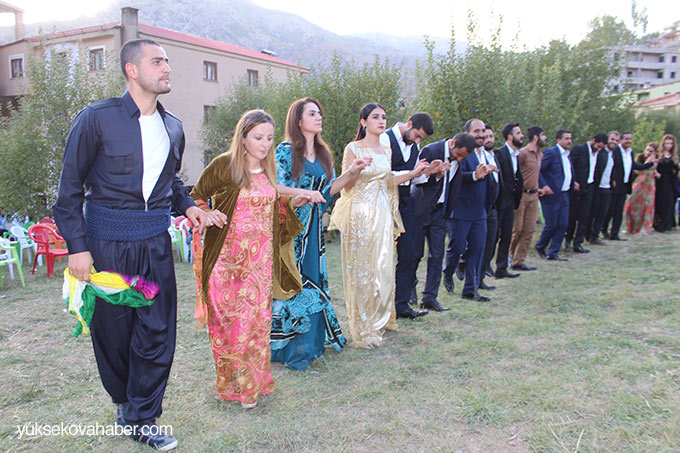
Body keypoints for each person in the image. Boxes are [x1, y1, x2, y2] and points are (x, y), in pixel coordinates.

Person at [52, 39, 208, 450]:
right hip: (107, 248)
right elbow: (69, 190)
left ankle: (142, 416)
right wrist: (77, 247)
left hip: (155, 247)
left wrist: (188, 206)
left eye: (167, 61)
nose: (167, 68)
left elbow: (170, 182)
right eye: (157, 62)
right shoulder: (96, 119)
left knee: (157, 332)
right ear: (132, 70)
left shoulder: (173, 126)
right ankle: (125, 402)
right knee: (114, 334)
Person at [191, 109, 308, 408]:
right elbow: (195, 196)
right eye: (258, 137)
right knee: (228, 326)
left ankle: (252, 383)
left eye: (269, 138)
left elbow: (272, 203)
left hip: (259, 266)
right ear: (242, 137)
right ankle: (235, 384)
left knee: (256, 325)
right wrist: (206, 213)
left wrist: (293, 200)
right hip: (226, 264)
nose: (265, 144)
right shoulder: (224, 165)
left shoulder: (268, 169)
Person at [271, 97, 371, 370]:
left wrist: (352, 171)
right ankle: (291, 348)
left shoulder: (323, 153)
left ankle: (311, 344)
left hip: (314, 230)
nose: (319, 117)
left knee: (313, 280)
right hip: (291, 229)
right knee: (294, 283)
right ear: (298, 120)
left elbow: (328, 191)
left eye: (319, 113)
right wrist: (301, 194)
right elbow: (275, 187)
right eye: (312, 113)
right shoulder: (285, 151)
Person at [329, 103, 428, 349]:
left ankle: (381, 319)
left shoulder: (386, 147)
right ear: (363, 122)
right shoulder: (353, 148)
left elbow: (389, 180)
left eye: (384, 116)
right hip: (361, 215)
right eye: (375, 117)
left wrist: (415, 173)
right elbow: (347, 186)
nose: (381, 121)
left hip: (382, 214)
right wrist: (355, 170)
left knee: (382, 268)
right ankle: (364, 329)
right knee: (363, 271)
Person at [380, 112, 434, 319]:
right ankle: (381, 306)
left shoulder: (414, 146)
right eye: (417, 135)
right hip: (384, 203)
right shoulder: (384, 139)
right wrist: (412, 173)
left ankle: (401, 305)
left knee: (410, 253)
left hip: (405, 203)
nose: (417, 141)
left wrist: (426, 172)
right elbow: (383, 175)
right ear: (409, 124)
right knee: (383, 256)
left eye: (421, 139)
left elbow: (412, 180)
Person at [412, 133, 476, 307]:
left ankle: (430, 298)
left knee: (437, 255)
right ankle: (410, 288)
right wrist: (436, 174)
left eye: (463, 157)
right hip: (420, 210)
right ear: (453, 143)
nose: (460, 159)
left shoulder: (458, 160)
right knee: (415, 254)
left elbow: (455, 182)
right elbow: (415, 180)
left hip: (440, 212)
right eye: (458, 154)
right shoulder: (431, 151)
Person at [443, 119, 497, 302]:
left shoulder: (486, 154)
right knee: (457, 248)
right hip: (460, 209)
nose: (481, 135)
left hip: (480, 211)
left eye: (483, 131)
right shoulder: (462, 152)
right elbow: (455, 177)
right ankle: (448, 272)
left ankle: (470, 290)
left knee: (477, 249)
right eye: (476, 131)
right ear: (467, 133)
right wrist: (475, 175)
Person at [535, 130, 576, 262]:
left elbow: (566, 171)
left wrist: (573, 182)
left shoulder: (567, 154)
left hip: (564, 194)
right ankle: (540, 245)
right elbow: (538, 170)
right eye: (566, 138)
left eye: (570, 138)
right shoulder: (551, 153)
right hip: (551, 195)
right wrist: (544, 185)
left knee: (563, 224)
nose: (569, 141)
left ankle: (553, 252)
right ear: (558, 140)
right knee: (552, 224)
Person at [564, 133, 608, 253]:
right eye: (598, 146)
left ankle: (578, 243)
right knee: (572, 216)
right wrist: (573, 181)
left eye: (601, 148)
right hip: (577, 187)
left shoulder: (599, 153)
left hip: (590, 187)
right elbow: (569, 165)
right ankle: (568, 239)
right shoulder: (580, 149)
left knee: (585, 216)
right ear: (593, 141)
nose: (599, 149)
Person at [604, 131, 653, 240]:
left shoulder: (630, 152)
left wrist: (649, 164)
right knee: (610, 209)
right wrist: (612, 179)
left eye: (630, 139)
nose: (628, 141)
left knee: (619, 211)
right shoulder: (615, 151)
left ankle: (614, 234)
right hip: (615, 184)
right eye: (626, 139)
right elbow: (611, 166)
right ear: (621, 140)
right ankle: (603, 229)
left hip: (625, 185)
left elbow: (633, 165)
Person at [509, 126, 546, 270]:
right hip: (521, 195)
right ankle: (508, 255)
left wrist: (539, 187)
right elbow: (514, 173)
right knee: (517, 229)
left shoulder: (540, 155)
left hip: (534, 195)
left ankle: (518, 261)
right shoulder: (523, 153)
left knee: (529, 229)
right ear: (536, 137)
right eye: (543, 135)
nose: (545, 138)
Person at [492, 123, 524, 278]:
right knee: (494, 235)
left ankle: (501, 268)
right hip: (499, 202)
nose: (521, 136)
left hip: (510, 201)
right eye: (518, 133)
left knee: (506, 235)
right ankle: (485, 266)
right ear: (510, 136)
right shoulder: (499, 153)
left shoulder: (516, 155)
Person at [479, 124, 501, 289]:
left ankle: (481, 277)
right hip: (480, 207)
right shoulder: (478, 157)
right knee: (479, 245)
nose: (489, 139)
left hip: (493, 207)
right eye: (486, 136)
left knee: (491, 243)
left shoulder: (494, 157)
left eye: (491, 136)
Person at [587, 131, 617, 245]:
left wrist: (613, 180)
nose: (614, 142)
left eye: (616, 140)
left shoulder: (613, 154)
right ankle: (588, 235)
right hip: (597, 187)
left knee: (603, 213)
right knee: (592, 212)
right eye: (612, 139)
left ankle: (595, 236)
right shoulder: (600, 152)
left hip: (607, 187)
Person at [624, 142, 659, 235]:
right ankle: (631, 226)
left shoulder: (654, 160)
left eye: (651, 151)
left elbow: (655, 172)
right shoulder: (641, 157)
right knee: (631, 203)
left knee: (647, 205)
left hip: (649, 184)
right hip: (640, 182)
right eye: (647, 150)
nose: (648, 152)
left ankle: (644, 227)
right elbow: (636, 168)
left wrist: (656, 173)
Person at [654, 134, 679, 232]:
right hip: (659, 182)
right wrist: (656, 173)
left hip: (670, 182)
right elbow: (652, 166)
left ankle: (667, 223)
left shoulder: (675, 157)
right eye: (667, 143)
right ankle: (658, 222)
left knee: (668, 203)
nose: (669, 145)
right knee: (659, 202)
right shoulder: (658, 155)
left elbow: (676, 171)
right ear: (663, 144)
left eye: (671, 144)